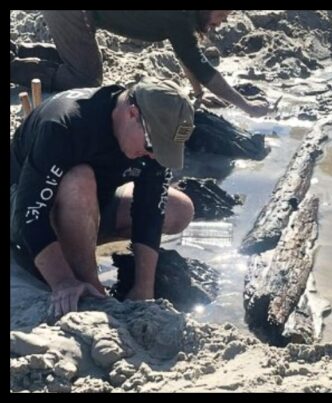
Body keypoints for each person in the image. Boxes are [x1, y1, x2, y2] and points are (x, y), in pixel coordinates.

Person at [10, 79, 196, 318]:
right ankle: (91, 285)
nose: (153, 155)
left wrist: (143, 288)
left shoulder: (149, 144)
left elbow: (150, 210)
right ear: (132, 113)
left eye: (163, 149)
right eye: (152, 145)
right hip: (23, 209)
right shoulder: (64, 123)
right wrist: (63, 281)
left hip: (89, 204)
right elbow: (30, 213)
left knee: (179, 209)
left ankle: (77, 245)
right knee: (79, 179)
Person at [10, 11, 270, 118]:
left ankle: (19, 51)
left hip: (82, 15)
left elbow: (187, 55)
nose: (222, 22)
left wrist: (199, 94)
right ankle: (15, 67)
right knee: (86, 78)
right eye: (221, 15)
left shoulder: (186, 19)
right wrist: (247, 106)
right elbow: (201, 66)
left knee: (83, 63)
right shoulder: (180, 16)